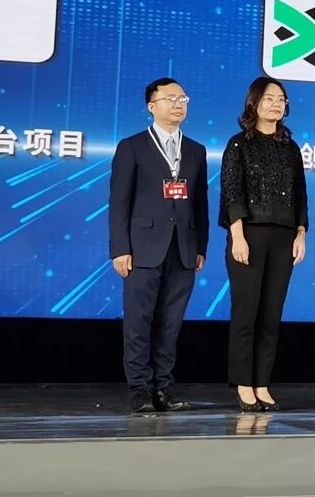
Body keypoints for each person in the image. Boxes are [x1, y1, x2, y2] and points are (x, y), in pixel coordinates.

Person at [108, 77, 209, 414]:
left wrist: (201, 245)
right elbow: (119, 201)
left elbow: (200, 203)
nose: (178, 104)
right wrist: (120, 248)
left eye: (183, 98)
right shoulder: (132, 146)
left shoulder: (195, 150)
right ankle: (140, 389)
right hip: (142, 248)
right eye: (170, 98)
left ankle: (163, 387)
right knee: (139, 320)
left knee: (170, 322)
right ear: (152, 106)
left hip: (183, 248)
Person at [219, 77, 308, 412]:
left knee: (271, 315)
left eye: (281, 99)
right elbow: (232, 192)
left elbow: (301, 194)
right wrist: (237, 236)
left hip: (284, 236)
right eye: (269, 98)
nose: (276, 104)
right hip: (249, 235)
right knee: (246, 313)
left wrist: (301, 233)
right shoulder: (238, 144)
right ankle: (244, 384)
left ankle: (262, 383)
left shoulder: (291, 147)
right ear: (253, 103)